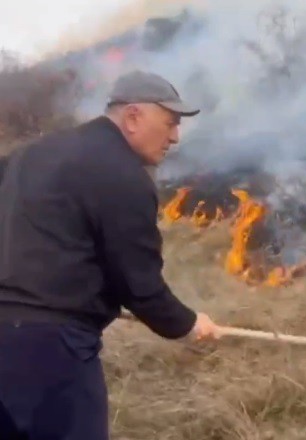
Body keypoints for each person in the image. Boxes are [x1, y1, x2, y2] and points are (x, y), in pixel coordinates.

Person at [0, 70, 222, 439]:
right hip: (52, 350)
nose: (175, 137)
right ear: (133, 117)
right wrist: (187, 324)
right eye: (169, 123)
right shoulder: (123, 174)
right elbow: (138, 283)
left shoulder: (31, 155)